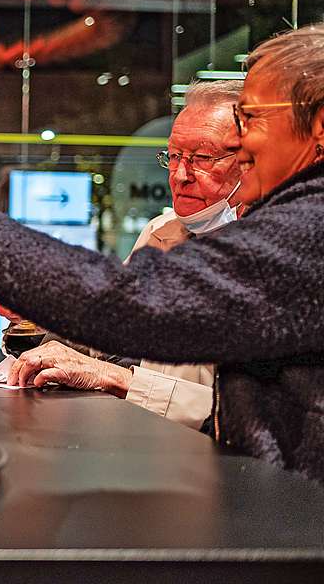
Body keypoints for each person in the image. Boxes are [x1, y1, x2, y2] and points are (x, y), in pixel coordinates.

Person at [0, 23, 324, 482]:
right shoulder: (277, 219)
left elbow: (138, 306)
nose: (243, 141)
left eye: (255, 117)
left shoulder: (308, 226)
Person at [18, 80, 244, 430]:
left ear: (254, 162)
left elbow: (238, 416)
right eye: (174, 157)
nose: (180, 176)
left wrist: (116, 379)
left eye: (202, 158)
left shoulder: (282, 259)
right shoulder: (161, 232)